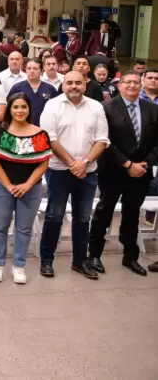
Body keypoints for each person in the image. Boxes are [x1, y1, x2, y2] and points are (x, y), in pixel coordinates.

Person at [38, 71, 109, 279]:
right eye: (69, 83)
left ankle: (79, 261)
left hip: (88, 172)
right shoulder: (52, 105)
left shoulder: (96, 107)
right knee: (54, 215)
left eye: (78, 82)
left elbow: (102, 140)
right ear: (64, 85)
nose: (74, 86)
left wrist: (84, 163)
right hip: (59, 171)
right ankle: (47, 260)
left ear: (85, 85)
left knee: (83, 218)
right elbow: (49, 138)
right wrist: (72, 163)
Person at [87, 72, 158, 276]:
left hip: (141, 172)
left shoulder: (153, 109)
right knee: (104, 212)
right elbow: (103, 140)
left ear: (142, 85)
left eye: (137, 82)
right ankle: (94, 255)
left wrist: (145, 164)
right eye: (128, 82)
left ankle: (130, 257)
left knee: (132, 214)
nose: (133, 86)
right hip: (113, 170)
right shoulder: (106, 108)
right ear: (120, 85)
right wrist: (127, 164)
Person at [0, 94, 52, 284]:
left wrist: (27, 185)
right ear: (9, 109)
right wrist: (8, 186)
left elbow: (43, 164)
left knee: (24, 229)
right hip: (2, 187)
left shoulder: (39, 134)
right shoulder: (0, 132)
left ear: (29, 109)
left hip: (30, 188)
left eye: (23, 107)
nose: (20, 111)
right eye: (15, 107)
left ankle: (19, 267)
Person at [8, 58, 57, 125]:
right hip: (22, 127)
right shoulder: (17, 88)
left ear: (42, 71)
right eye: (29, 68)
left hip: (44, 127)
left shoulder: (50, 89)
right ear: (25, 70)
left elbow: (56, 110)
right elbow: (9, 109)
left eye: (35, 69)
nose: (31, 71)